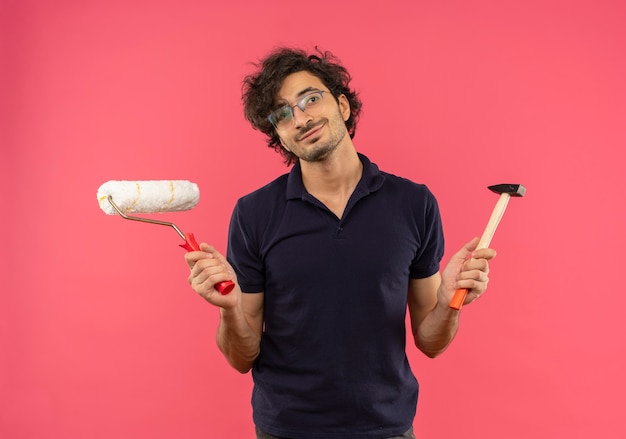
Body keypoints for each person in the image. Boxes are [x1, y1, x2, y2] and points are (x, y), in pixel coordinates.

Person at [185, 47, 496, 439]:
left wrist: (451, 301)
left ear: (343, 106)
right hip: (286, 429)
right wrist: (230, 310)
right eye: (282, 114)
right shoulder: (254, 213)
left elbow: (431, 342)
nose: (300, 118)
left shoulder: (413, 203)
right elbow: (241, 357)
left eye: (310, 98)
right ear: (278, 136)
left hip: (387, 428)